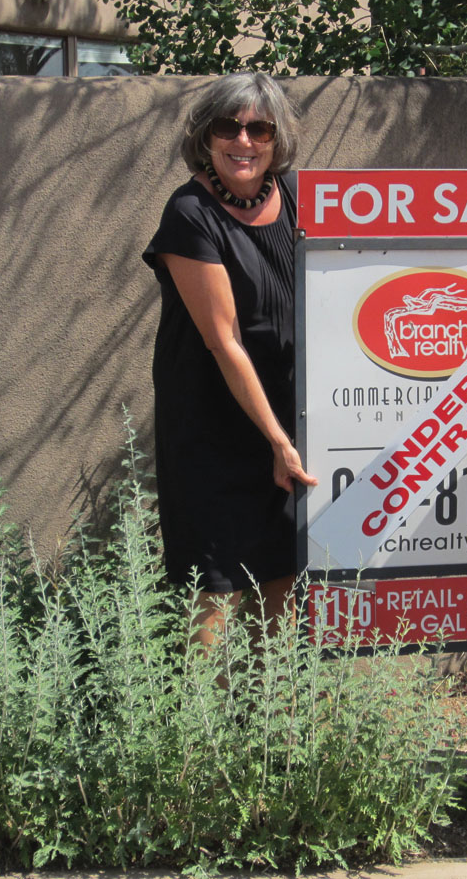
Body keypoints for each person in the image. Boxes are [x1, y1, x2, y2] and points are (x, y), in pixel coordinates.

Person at [142, 73, 317, 648]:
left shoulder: (296, 196)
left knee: (285, 578)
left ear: (277, 138)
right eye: (229, 127)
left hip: (287, 422)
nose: (244, 141)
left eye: (259, 128)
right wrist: (277, 441)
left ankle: (275, 729)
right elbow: (225, 340)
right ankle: (204, 734)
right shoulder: (190, 214)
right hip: (215, 427)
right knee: (215, 589)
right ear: (206, 135)